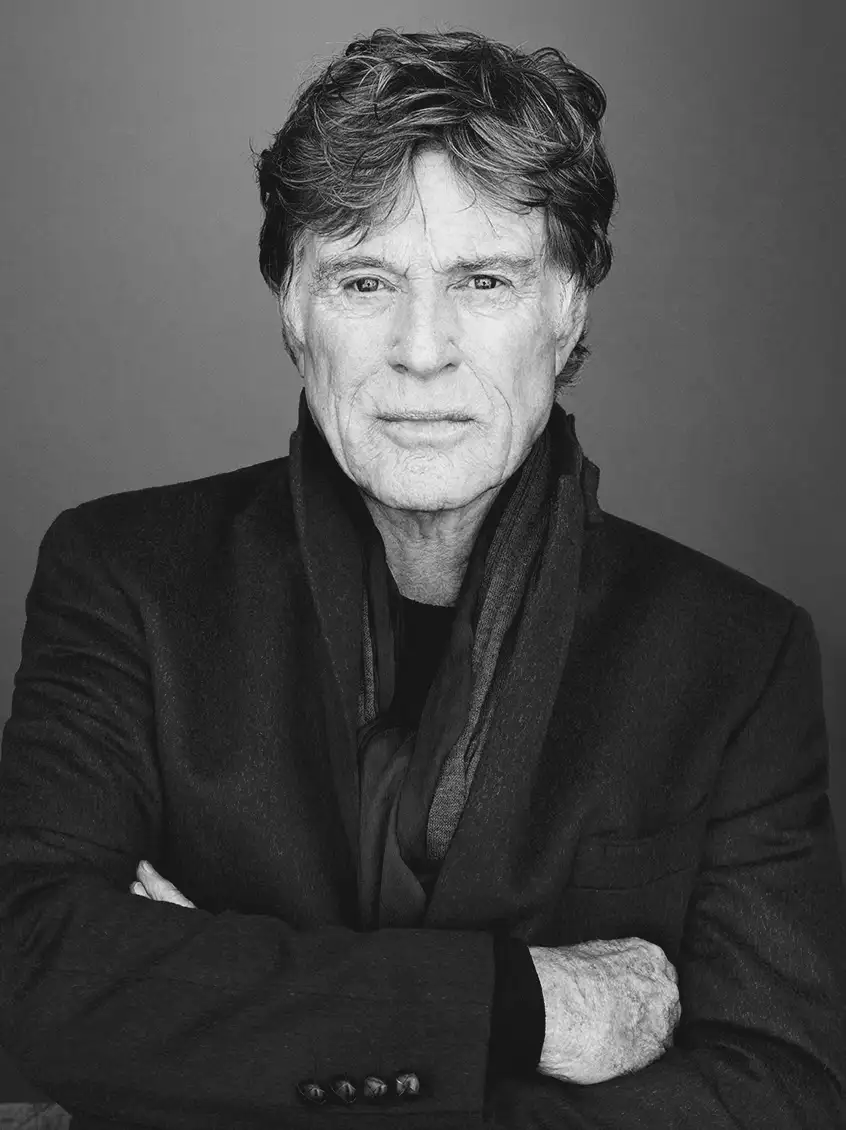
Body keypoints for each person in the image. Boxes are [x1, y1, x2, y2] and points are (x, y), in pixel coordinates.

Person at [1, 25, 845, 1130]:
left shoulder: (738, 653)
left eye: (484, 280)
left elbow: (782, 1089)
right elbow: (32, 969)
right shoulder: (124, 576)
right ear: (292, 308)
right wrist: (522, 1005)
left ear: (568, 311)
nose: (422, 349)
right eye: (364, 280)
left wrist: (217, 1036)